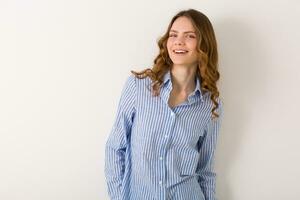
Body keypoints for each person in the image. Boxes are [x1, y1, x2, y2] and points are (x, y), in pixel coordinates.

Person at [104, 8, 223, 200]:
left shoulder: (209, 105)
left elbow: (205, 170)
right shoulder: (138, 87)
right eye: (173, 35)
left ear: (204, 45)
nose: (178, 41)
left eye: (190, 36)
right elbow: (115, 148)